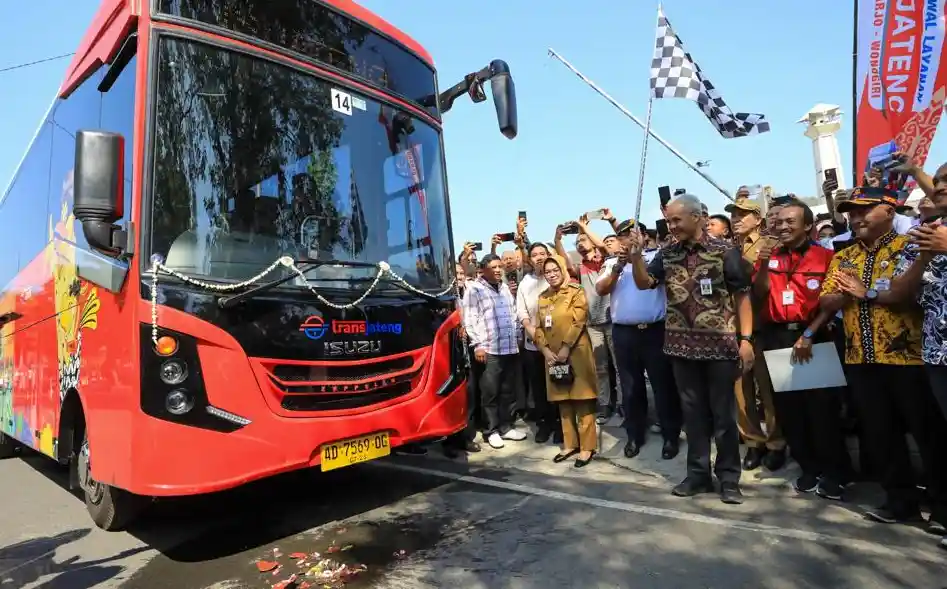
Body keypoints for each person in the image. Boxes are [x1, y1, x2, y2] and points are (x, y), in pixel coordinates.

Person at [820, 186, 947, 527]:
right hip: (861, 357)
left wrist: (865, 292)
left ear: (890, 211)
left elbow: (907, 297)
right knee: (881, 433)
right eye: (852, 212)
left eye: (864, 210)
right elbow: (827, 300)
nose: (856, 218)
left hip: (909, 358)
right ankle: (899, 500)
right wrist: (846, 294)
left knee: (928, 433)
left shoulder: (911, 246)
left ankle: (942, 505)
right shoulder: (843, 256)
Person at [628, 193, 754, 505]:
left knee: (723, 417)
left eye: (676, 220)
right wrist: (635, 259)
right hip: (680, 348)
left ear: (697, 217)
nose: (671, 227)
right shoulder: (667, 252)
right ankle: (698, 475)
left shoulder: (725, 250)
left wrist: (746, 340)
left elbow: (742, 296)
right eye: (668, 221)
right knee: (693, 415)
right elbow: (646, 283)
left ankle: (728, 478)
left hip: (721, 347)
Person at [753, 201, 850, 498]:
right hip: (777, 337)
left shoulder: (826, 257)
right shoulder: (767, 257)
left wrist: (809, 333)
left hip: (814, 337)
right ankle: (809, 467)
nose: (782, 226)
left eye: (790, 221)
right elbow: (758, 294)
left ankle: (836, 472)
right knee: (791, 410)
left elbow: (833, 299)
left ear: (807, 225)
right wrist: (764, 266)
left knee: (823, 410)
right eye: (779, 221)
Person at [596, 219, 681, 460]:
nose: (627, 240)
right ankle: (634, 434)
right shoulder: (612, 263)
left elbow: (651, 283)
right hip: (624, 333)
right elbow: (601, 290)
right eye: (622, 236)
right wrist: (618, 267)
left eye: (632, 235)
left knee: (663, 386)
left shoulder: (658, 258)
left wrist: (636, 259)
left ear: (644, 236)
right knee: (631, 387)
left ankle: (670, 435)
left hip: (655, 330)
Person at [726, 196, 787, 471]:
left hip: (763, 326)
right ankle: (753, 441)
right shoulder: (725, 249)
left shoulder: (770, 246)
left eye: (743, 214)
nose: (736, 219)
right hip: (730, 328)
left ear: (758, 220)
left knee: (768, 389)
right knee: (741, 391)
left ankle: (776, 442)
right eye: (733, 214)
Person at [533, 255, 599, 468]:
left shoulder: (575, 291)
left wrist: (565, 347)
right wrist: (544, 349)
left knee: (582, 400)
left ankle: (587, 447)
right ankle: (570, 444)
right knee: (563, 400)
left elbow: (579, 320)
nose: (551, 275)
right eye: (547, 272)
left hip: (575, 353)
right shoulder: (543, 297)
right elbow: (538, 326)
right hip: (553, 357)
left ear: (563, 270)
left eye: (555, 270)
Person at [461, 254, 529, 449]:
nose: (498, 270)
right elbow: (470, 318)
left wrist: (517, 336)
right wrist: (478, 345)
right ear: (483, 270)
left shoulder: (505, 288)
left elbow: (513, 314)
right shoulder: (474, 289)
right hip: (489, 349)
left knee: (508, 390)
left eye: (500, 266)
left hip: (509, 347)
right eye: (494, 267)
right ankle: (491, 430)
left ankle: (507, 427)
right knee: (490, 392)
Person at [516, 242, 561, 443]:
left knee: (559, 382)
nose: (539, 257)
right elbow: (522, 312)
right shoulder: (525, 282)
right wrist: (532, 331)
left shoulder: (556, 277)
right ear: (529, 259)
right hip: (533, 342)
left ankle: (561, 423)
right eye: (535, 255)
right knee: (539, 386)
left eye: (543, 253)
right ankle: (545, 423)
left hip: (556, 343)